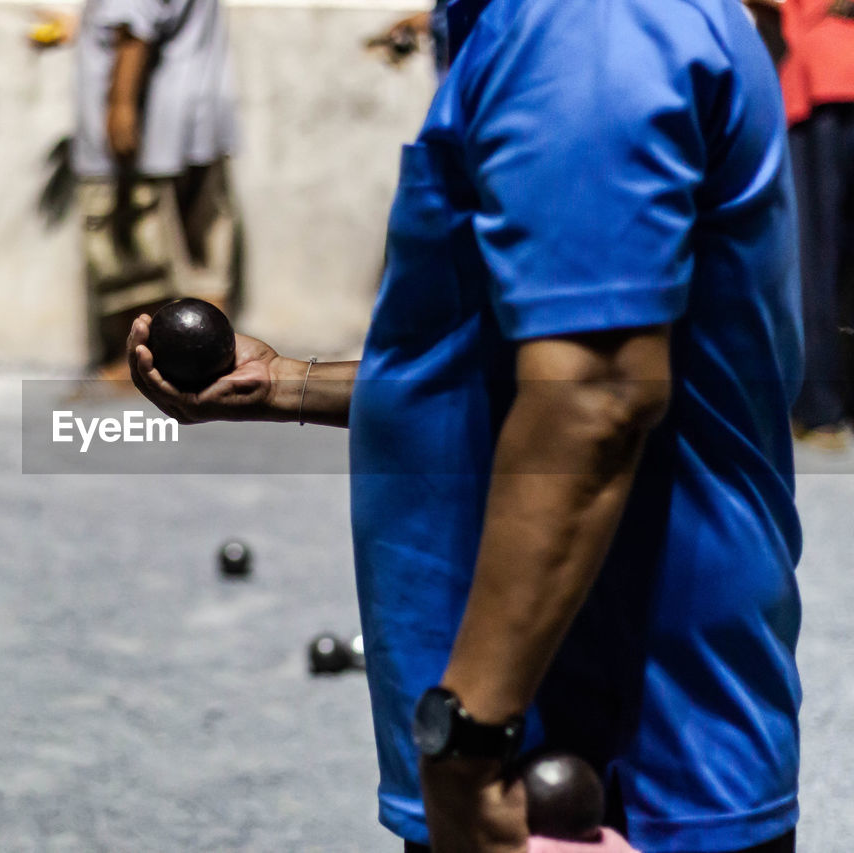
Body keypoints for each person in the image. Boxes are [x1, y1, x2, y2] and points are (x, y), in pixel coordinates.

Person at [127, 0, 804, 848]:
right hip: (539, 727)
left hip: (608, 759)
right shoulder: (522, 23)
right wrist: (287, 386)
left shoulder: (591, 23)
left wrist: (470, 739)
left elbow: (593, 391)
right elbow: (504, 364)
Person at [72, 0, 240, 383]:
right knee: (204, 247)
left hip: (153, 127)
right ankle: (211, 360)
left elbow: (134, 24)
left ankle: (138, 365)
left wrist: (120, 106)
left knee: (133, 246)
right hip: (198, 112)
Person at [777, 0, 854, 448]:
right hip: (819, 79)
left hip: (823, 75)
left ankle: (821, 409)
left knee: (818, 258)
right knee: (817, 258)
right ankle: (820, 406)